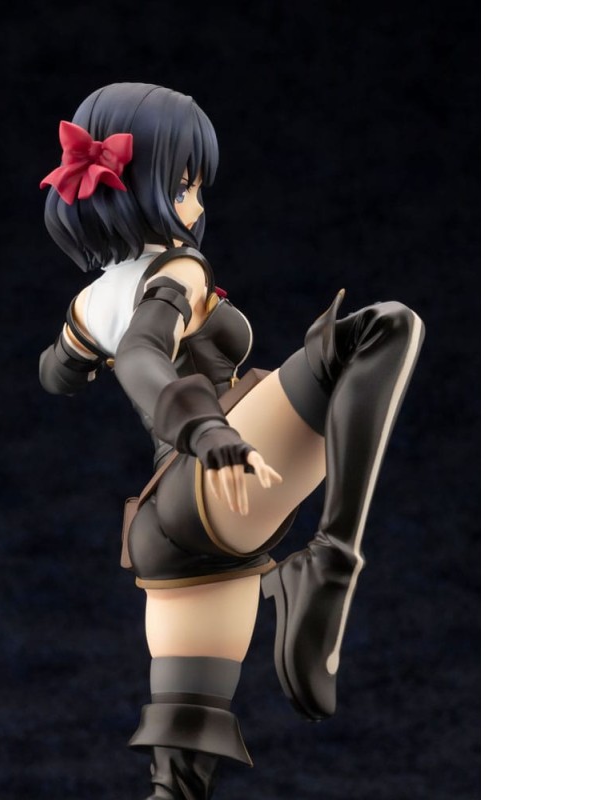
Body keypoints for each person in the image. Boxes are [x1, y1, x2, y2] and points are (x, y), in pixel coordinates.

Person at [38, 82, 425, 800]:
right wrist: (205, 427)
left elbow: (55, 372)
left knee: (181, 770)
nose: (195, 205)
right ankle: (330, 563)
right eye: (184, 186)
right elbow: (145, 356)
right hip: (216, 475)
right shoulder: (179, 269)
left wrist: (82, 358)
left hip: (173, 535)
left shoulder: (90, 301)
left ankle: (309, 572)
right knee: (381, 330)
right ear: (144, 188)